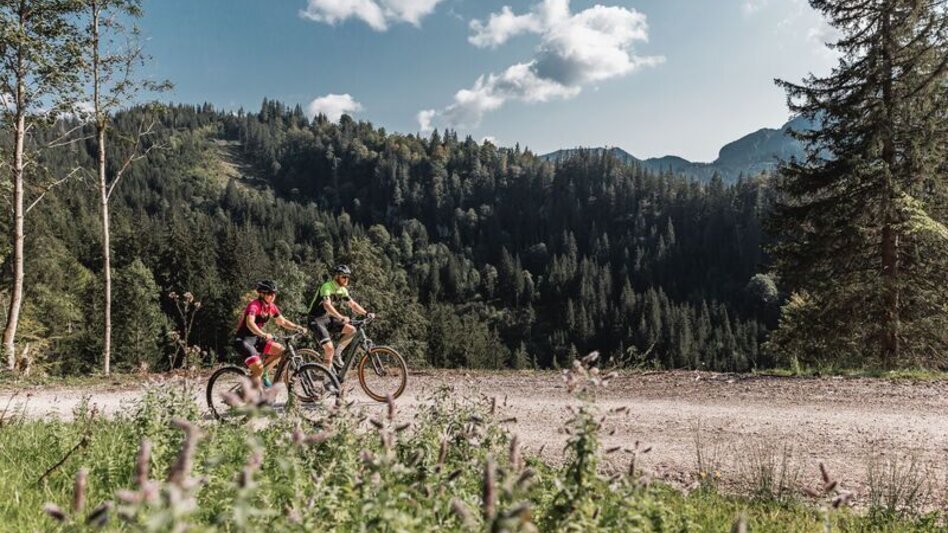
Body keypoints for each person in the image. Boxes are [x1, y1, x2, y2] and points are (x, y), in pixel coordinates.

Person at [234, 280, 306, 387]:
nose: (273, 296)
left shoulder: (271, 307)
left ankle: (264, 373)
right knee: (258, 369)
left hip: (257, 338)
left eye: (274, 293)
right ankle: (256, 393)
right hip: (244, 340)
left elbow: (282, 321)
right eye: (270, 293)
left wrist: (297, 327)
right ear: (262, 294)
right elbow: (250, 323)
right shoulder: (254, 305)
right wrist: (263, 334)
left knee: (280, 351)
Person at [307, 264, 371, 368]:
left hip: (327, 318)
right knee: (329, 348)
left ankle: (337, 355)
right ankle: (326, 375)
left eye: (348, 277)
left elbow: (353, 304)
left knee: (352, 330)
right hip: (315, 319)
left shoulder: (342, 290)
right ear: (337, 276)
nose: (346, 279)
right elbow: (327, 305)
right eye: (344, 277)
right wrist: (340, 317)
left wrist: (366, 313)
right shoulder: (327, 287)